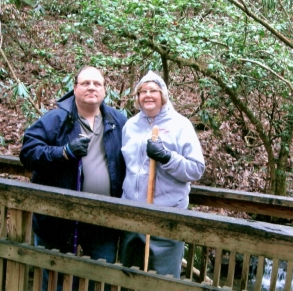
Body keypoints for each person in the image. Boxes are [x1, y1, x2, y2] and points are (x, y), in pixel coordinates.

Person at [19, 66, 127, 291]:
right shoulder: (57, 119)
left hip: (104, 219)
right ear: (75, 88)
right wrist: (64, 152)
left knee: (100, 281)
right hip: (60, 219)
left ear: (105, 91)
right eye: (85, 83)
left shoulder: (117, 121)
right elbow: (28, 152)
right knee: (58, 282)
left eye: (97, 84)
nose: (91, 87)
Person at [119, 70, 205, 278]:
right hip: (133, 215)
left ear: (163, 95)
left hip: (167, 219)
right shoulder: (130, 126)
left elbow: (196, 169)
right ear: (137, 97)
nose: (148, 95)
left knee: (163, 282)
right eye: (143, 91)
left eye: (153, 91)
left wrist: (167, 157)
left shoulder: (180, 125)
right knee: (129, 278)